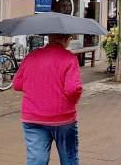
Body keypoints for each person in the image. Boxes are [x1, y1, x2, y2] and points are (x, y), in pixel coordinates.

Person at [13, 34, 83, 165]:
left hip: (33, 117)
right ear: (65, 39)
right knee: (69, 158)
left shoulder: (31, 57)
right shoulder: (69, 58)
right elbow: (73, 88)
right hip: (63, 118)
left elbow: (17, 84)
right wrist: (73, 101)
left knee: (37, 160)